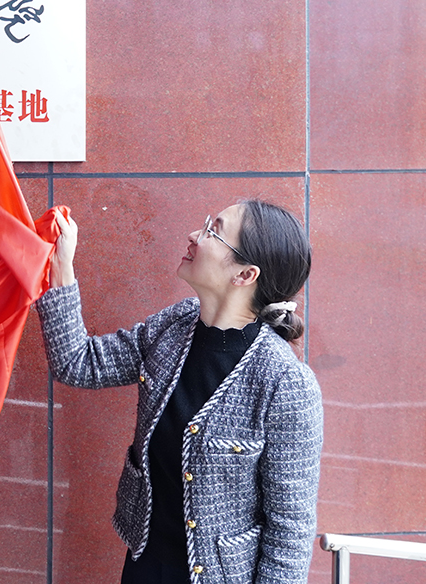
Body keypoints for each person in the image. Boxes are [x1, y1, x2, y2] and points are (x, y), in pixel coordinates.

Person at [36, 200, 322, 584]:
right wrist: (62, 266)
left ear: (245, 274)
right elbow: (78, 363)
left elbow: (290, 529)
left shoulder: (285, 383)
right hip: (145, 563)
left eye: (214, 231)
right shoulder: (176, 324)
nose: (194, 235)